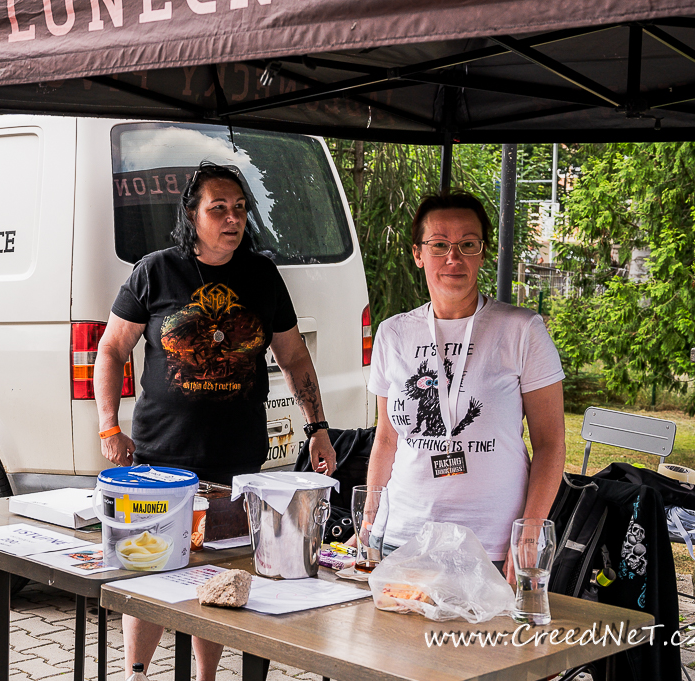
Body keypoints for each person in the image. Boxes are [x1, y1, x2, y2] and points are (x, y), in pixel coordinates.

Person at [94, 162, 338, 680]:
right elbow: (112, 348)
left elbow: (294, 357)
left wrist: (318, 427)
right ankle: (136, 673)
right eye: (219, 208)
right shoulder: (156, 271)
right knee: (148, 573)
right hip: (159, 461)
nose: (233, 219)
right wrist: (109, 426)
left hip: (236, 462)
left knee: (219, 578)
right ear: (191, 214)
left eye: (240, 209)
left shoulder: (262, 275)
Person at [365, 189, 566, 583]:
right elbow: (387, 438)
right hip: (403, 537)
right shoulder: (394, 333)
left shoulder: (521, 330)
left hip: (490, 545)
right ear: (418, 253)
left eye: (467, 244)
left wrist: (529, 531)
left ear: (482, 253)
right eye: (439, 244)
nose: (453, 258)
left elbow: (551, 443)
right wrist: (370, 517)